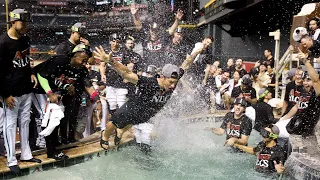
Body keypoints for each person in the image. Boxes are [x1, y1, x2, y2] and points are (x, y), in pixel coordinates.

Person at [93, 42, 206, 149]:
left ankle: (121, 131)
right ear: (163, 77)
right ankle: (105, 136)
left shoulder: (174, 78)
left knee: (131, 123)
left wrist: (197, 51)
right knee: (112, 124)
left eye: (175, 83)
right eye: (171, 82)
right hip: (133, 108)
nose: (173, 86)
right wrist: (111, 61)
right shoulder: (150, 83)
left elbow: (186, 63)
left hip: (148, 112)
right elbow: (127, 74)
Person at [35, 44, 101, 160]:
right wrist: (50, 93)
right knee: (49, 117)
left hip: (51, 92)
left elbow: (88, 86)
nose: (84, 63)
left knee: (57, 117)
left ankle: (54, 146)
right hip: (37, 89)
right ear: (75, 55)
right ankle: (50, 150)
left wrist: (98, 101)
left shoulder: (81, 70)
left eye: (86, 61)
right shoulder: (60, 60)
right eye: (83, 60)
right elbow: (41, 75)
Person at [0, 8, 41, 174]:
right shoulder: (2, 43)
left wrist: (31, 74)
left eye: (26, 23)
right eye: (23, 22)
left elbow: (25, 60)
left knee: (25, 123)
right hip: (11, 93)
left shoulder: (25, 40)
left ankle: (26, 154)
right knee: (10, 126)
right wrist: (5, 95)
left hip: (26, 89)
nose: (25, 26)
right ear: (13, 22)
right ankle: (11, 160)